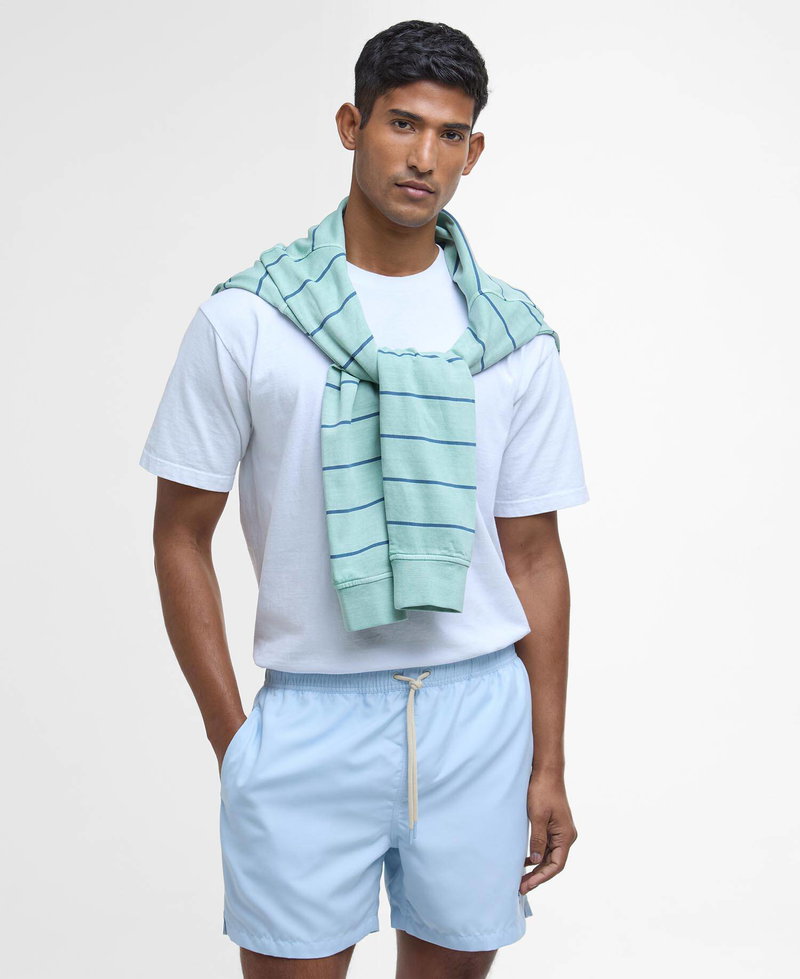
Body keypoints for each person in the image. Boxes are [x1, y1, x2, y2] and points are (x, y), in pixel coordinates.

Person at [139, 18, 589, 979]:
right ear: (352, 125)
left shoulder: (513, 338)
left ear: (473, 151)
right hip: (311, 715)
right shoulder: (248, 318)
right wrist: (234, 739)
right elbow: (180, 535)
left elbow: (533, 555)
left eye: (450, 134)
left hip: (479, 715)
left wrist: (547, 760)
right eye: (402, 123)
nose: (424, 157)